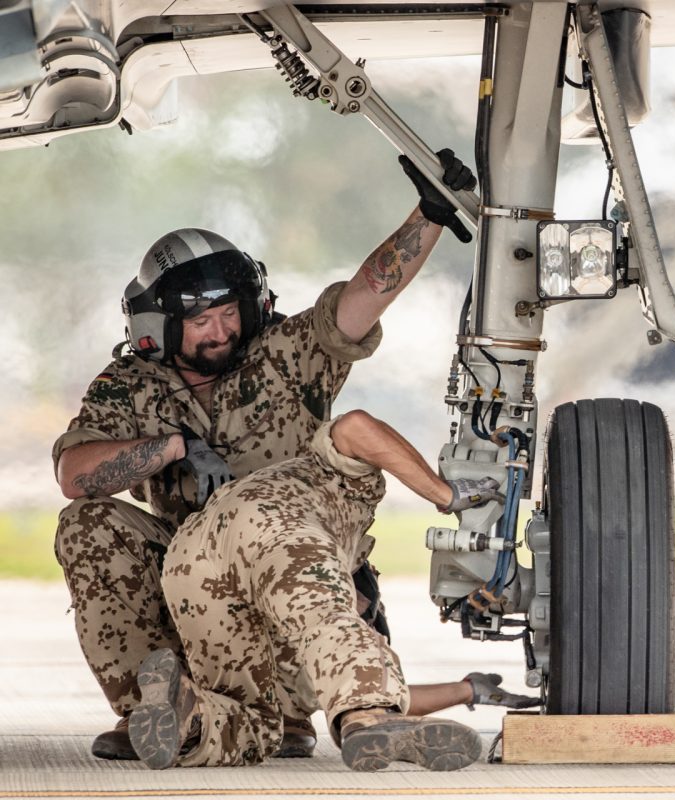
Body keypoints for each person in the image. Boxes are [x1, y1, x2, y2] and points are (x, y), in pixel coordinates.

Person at [52, 149, 476, 762]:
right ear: (160, 326)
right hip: (196, 587)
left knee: (262, 522)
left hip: (296, 573)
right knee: (88, 525)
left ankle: (311, 711)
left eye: (230, 313)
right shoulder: (129, 387)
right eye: (202, 321)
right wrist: (170, 448)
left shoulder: (288, 353)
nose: (221, 330)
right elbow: (75, 475)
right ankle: (159, 712)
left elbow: (364, 297)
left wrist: (430, 215)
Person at [130, 411, 529, 771]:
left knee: (256, 720)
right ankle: (369, 718)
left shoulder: (307, 663)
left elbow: (391, 691)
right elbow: (356, 426)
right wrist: (446, 495)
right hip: (273, 518)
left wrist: (468, 690)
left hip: (189, 558)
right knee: (328, 622)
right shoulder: (335, 477)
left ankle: (191, 716)